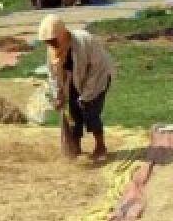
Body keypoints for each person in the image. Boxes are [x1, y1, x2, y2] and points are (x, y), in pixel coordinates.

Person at [38, 14, 115, 162]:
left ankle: (100, 147)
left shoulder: (84, 41)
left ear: (62, 34)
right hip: (75, 80)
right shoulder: (52, 51)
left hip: (98, 78)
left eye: (53, 40)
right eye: (47, 41)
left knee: (91, 111)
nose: (50, 44)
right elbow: (54, 75)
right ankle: (76, 146)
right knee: (73, 112)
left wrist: (87, 96)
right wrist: (58, 95)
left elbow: (96, 70)